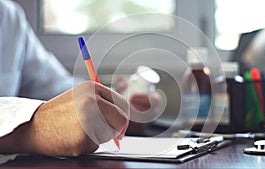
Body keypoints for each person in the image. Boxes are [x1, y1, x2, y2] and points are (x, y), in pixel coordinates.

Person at [0, 0, 162, 157]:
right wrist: (31, 130)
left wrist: (113, 103)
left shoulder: (9, 17)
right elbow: (47, 118)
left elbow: (57, 89)